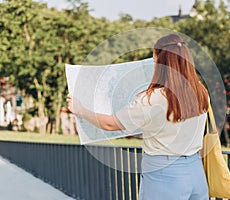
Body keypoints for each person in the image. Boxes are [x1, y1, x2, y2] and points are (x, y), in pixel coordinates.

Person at [67, 34, 209, 200]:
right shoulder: (200, 91)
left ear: (159, 60)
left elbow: (110, 124)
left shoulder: (152, 99)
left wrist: (80, 109)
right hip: (195, 171)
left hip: (164, 174)